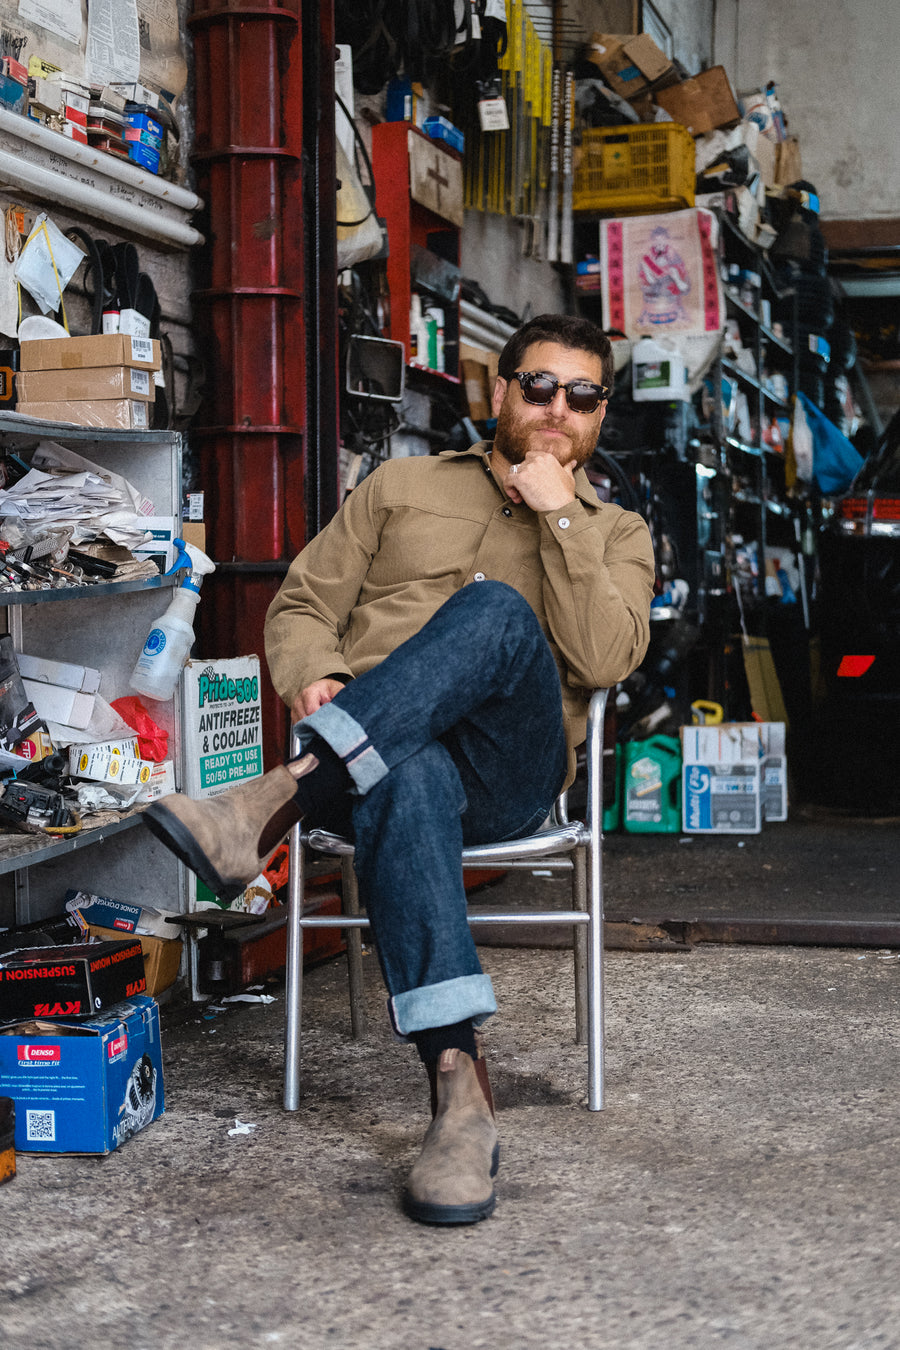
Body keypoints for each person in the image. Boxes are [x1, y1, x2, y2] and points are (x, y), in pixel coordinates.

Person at [144, 312, 655, 1226]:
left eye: (581, 398)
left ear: (599, 417)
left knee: (497, 613)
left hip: (510, 771)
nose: (556, 411)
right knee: (400, 768)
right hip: (387, 756)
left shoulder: (616, 532)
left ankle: (271, 802)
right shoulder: (401, 486)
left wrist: (560, 516)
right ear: (499, 392)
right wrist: (315, 675)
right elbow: (303, 604)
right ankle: (457, 1090)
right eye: (537, 387)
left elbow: (607, 660)